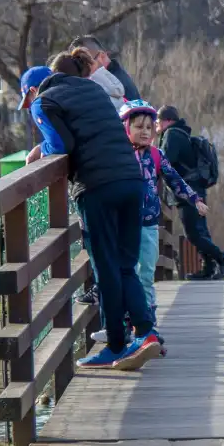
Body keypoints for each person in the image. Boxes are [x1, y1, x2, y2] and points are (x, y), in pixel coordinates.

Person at [29, 52, 162, 370]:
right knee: (127, 265)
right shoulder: (93, 90)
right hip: (131, 181)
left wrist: (40, 152)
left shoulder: (44, 102)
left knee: (106, 268)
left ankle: (116, 345)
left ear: (37, 86)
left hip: (97, 186)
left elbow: (62, 145)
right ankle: (146, 332)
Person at [90, 100, 206, 339]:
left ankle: (147, 324)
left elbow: (174, 179)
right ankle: (122, 324)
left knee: (146, 273)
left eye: (149, 128)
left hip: (149, 224)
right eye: (138, 127)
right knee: (125, 272)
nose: (144, 132)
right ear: (125, 128)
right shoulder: (117, 155)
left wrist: (194, 199)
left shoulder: (156, 155)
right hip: (122, 224)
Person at [156, 106, 224, 280]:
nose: (156, 124)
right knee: (200, 231)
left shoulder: (172, 135)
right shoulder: (180, 133)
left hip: (188, 192)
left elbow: (165, 161)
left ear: (168, 120)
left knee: (193, 233)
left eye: (158, 120)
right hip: (195, 189)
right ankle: (209, 268)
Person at [67, 34, 141, 102]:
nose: (82, 71)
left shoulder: (115, 85)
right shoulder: (111, 79)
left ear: (102, 56)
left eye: (86, 62)